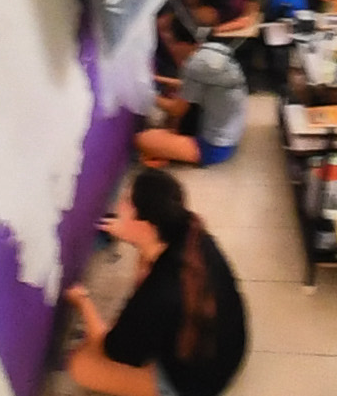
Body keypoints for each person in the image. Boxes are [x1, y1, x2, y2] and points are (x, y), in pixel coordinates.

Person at [57, 164, 248, 396]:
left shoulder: (159, 292)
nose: (118, 206)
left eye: (127, 203)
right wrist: (130, 232)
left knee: (81, 364)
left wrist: (82, 301)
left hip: (197, 385)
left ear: (145, 225)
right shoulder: (191, 231)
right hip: (229, 348)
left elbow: (112, 350)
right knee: (145, 266)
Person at [134, 0, 252, 170]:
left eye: (170, 40)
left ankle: (172, 149)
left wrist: (144, 93)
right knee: (175, 99)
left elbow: (176, 108)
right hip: (231, 134)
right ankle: (171, 145)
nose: (169, 46)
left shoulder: (195, 65)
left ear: (180, 42)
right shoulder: (212, 50)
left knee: (142, 139)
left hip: (216, 147)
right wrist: (156, 78)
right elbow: (189, 86)